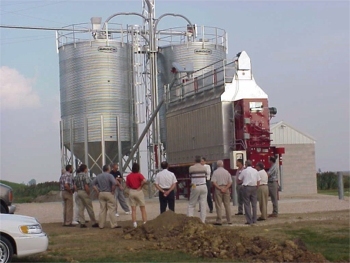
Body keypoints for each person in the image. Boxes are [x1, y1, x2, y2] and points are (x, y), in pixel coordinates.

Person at [92, 164, 121, 229]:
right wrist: (113, 190)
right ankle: (113, 224)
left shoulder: (98, 176)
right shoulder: (110, 175)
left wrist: (97, 191)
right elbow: (114, 183)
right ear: (108, 169)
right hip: (108, 193)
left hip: (101, 193)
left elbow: (93, 184)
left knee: (102, 210)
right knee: (112, 209)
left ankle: (101, 225)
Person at [74, 164, 99, 228]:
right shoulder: (85, 176)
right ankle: (93, 222)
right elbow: (86, 185)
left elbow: (74, 186)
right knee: (89, 207)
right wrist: (88, 193)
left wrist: (77, 191)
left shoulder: (76, 176)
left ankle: (82, 222)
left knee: (81, 208)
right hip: (84, 191)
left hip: (79, 192)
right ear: (85, 169)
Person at [238, 160, 260, 225]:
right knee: (254, 204)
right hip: (254, 187)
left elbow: (239, 179)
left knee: (247, 204)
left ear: (246, 164)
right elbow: (258, 180)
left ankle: (249, 220)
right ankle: (254, 219)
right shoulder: (255, 171)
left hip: (246, 187)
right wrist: (257, 187)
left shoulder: (244, 171)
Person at [125, 163, 147, 228]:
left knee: (133, 209)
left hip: (132, 191)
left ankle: (134, 223)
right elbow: (144, 181)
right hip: (139, 191)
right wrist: (141, 186)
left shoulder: (128, 176)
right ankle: (144, 222)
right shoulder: (139, 175)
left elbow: (127, 184)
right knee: (142, 208)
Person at [187, 156, 208, 223]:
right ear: (200, 160)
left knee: (192, 204)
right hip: (204, 185)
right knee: (203, 204)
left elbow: (190, 176)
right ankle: (203, 221)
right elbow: (206, 175)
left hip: (195, 186)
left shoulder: (191, 168)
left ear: (194, 160)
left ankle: (190, 220)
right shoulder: (204, 168)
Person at [211, 160, 232, 225]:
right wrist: (225, 188)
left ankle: (219, 220)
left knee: (218, 205)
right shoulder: (227, 172)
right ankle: (229, 220)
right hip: (226, 188)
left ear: (217, 165)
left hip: (218, 188)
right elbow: (230, 182)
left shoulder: (215, 172)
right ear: (222, 165)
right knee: (227, 205)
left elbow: (214, 182)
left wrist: (220, 188)